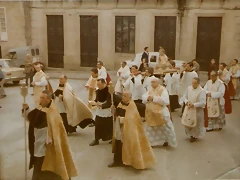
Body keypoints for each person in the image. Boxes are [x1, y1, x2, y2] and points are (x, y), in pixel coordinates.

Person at [22, 90, 78, 180]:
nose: (40, 100)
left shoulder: (51, 111)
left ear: (48, 99)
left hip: (47, 148)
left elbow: (36, 122)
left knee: (42, 170)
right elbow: (30, 117)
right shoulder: (40, 108)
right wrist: (27, 108)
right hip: (39, 144)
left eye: (42, 98)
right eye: (40, 97)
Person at [109, 91, 156, 169]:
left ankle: (131, 161)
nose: (123, 97)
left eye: (125, 96)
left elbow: (132, 119)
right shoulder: (120, 104)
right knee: (118, 143)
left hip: (128, 128)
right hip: (119, 128)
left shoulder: (132, 106)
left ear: (130, 98)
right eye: (123, 96)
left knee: (129, 145)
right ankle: (117, 161)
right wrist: (113, 111)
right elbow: (116, 114)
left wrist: (122, 119)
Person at [142, 77, 177, 147]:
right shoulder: (150, 90)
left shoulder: (163, 90)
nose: (152, 84)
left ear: (158, 83)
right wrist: (147, 98)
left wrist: (154, 98)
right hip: (152, 112)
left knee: (166, 127)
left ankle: (167, 140)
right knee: (151, 128)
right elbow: (144, 97)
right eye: (151, 82)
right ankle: (151, 142)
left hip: (161, 111)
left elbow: (166, 101)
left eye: (154, 82)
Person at [180, 77, 206, 143]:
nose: (193, 84)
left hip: (197, 110)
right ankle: (190, 134)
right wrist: (186, 102)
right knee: (188, 122)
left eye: (195, 83)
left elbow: (203, 102)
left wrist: (194, 105)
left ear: (198, 83)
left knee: (196, 123)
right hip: (189, 108)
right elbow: (184, 96)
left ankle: (194, 136)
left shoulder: (201, 91)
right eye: (192, 83)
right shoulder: (189, 88)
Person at [89, 78, 113, 146]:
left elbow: (109, 102)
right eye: (97, 84)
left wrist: (102, 105)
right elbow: (97, 99)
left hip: (107, 111)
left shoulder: (109, 92)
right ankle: (96, 139)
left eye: (99, 84)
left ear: (103, 84)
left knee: (109, 126)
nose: (98, 86)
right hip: (99, 111)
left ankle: (111, 138)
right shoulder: (98, 91)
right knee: (97, 125)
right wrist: (93, 102)